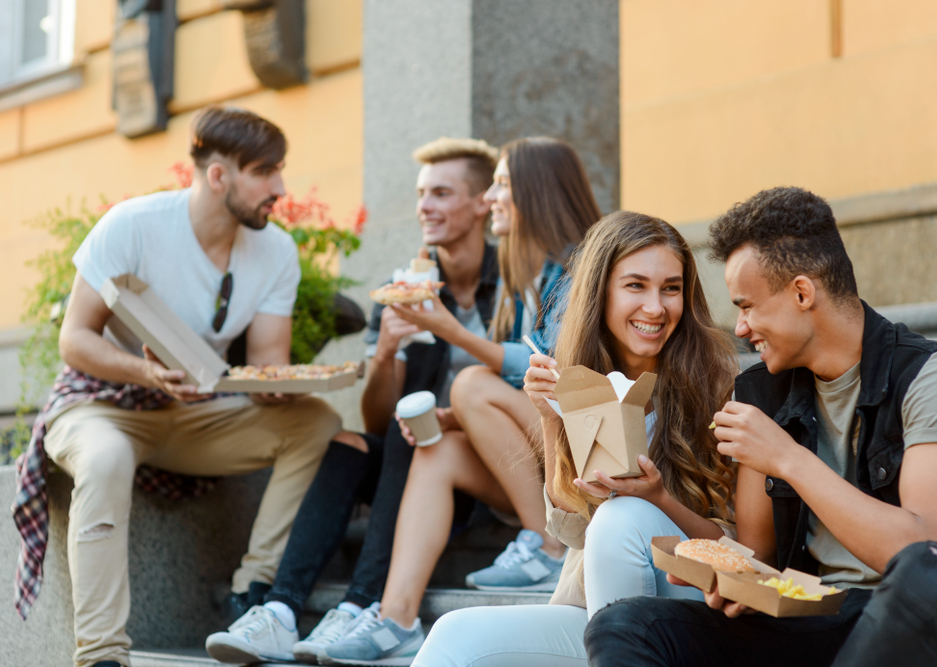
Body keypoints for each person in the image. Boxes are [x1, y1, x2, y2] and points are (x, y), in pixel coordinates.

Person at [584, 187, 937, 667]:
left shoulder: (933, 375)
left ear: (803, 293)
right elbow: (756, 555)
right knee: (625, 626)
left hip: (933, 625)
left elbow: (923, 547)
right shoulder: (762, 393)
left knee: (928, 572)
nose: (740, 328)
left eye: (746, 306)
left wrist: (787, 458)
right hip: (815, 615)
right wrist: (721, 570)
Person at [10, 106, 343, 667]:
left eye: (280, 171)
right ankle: (102, 654)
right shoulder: (132, 225)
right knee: (108, 457)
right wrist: (144, 371)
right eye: (265, 172)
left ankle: (253, 589)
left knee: (315, 422)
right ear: (219, 176)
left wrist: (288, 383)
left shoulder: (277, 251)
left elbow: (266, 362)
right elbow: (75, 339)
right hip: (102, 404)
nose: (279, 188)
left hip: (195, 410)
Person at [204, 136, 501, 664]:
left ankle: (361, 603)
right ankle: (280, 610)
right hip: (415, 455)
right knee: (349, 442)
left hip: (486, 469)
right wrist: (385, 354)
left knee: (420, 438)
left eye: (440, 193)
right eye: (420, 194)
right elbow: (379, 420)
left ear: (482, 202)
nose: (423, 207)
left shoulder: (511, 285)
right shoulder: (402, 287)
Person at [410, 210, 738, 666]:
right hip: (592, 607)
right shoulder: (582, 377)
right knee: (455, 637)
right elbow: (570, 526)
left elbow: (740, 549)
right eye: (635, 286)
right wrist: (549, 417)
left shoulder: (719, 386)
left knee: (621, 517)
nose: (656, 308)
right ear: (599, 293)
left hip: (690, 611)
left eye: (671, 288)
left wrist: (659, 500)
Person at [320, 137, 602, 666]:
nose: (491, 198)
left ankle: (548, 543)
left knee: (471, 382)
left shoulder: (581, 269)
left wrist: (451, 332)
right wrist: (459, 420)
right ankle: (396, 617)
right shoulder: (526, 278)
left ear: (535, 194)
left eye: (501, 185)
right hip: (543, 453)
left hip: (588, 450)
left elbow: (559, 376)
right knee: (437, 448)